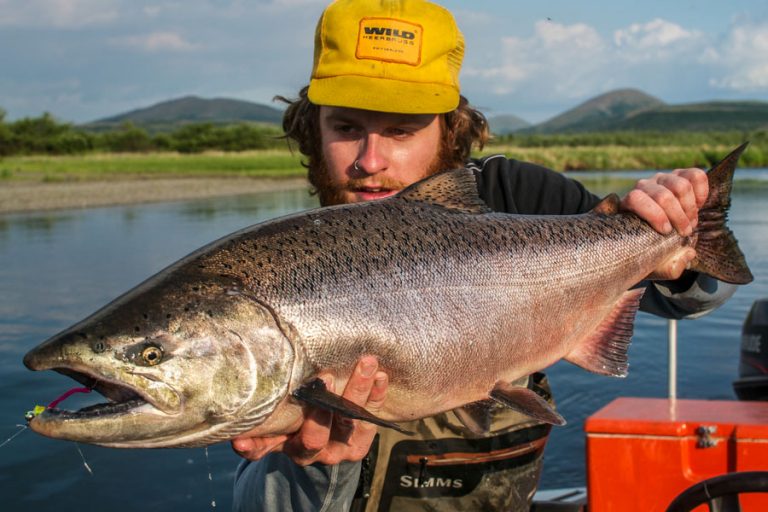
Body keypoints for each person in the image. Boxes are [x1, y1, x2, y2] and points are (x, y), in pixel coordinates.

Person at [231, 0, 737, 510]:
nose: (370, 160)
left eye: (402, 130)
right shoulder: (286, 264)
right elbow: (256, 503)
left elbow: (690, 299)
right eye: (345, 128)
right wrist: (321, 472)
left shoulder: (521, 200)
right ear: (313, 129)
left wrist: (679, 222)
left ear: (450, 127)